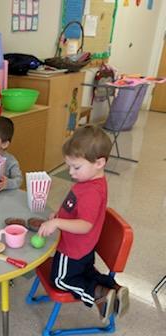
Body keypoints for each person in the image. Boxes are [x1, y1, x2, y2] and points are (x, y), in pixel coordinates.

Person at [37, 125, 129, 321]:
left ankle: (99, 295)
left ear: (99, 162)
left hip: (72, 248)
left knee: (61, 279)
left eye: (76, 167)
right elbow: (77, 210)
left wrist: (58, 223)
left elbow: (85, 224)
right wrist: (60, 215)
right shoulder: (92, 183)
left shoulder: (90, 192)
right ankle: (114, 289)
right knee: (85, 272)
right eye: (69, 166)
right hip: (85, 248)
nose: (70, 172)